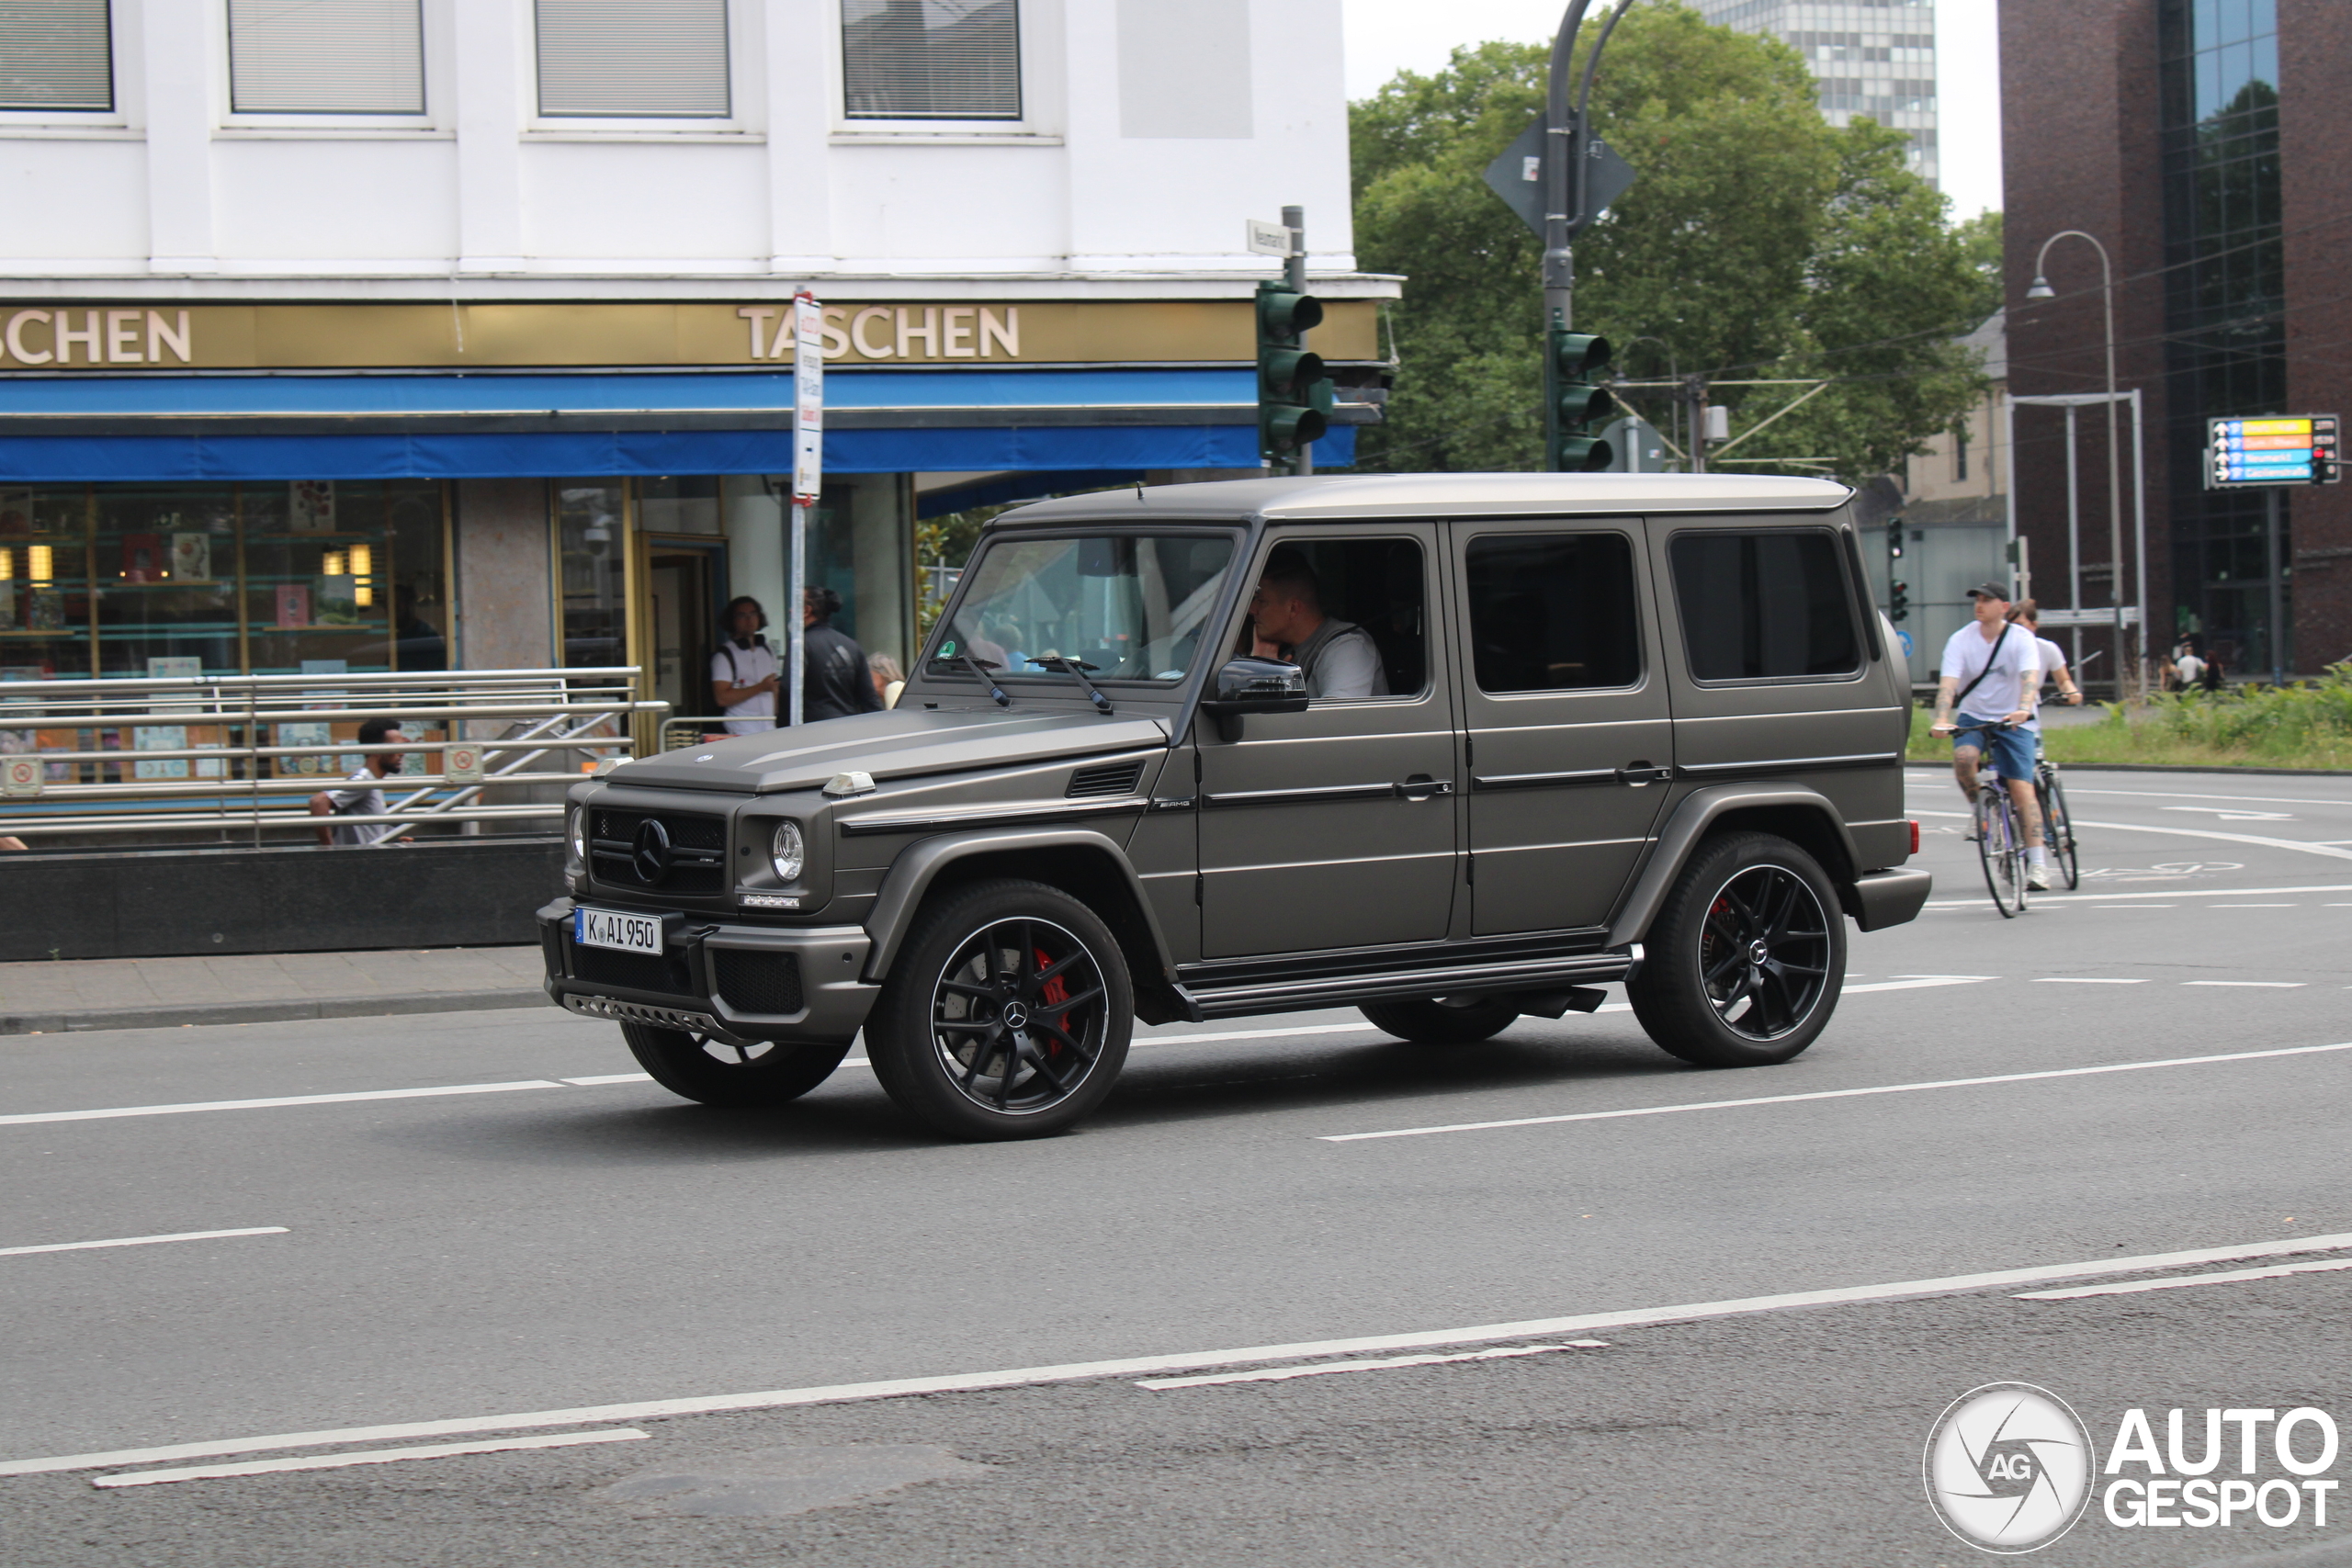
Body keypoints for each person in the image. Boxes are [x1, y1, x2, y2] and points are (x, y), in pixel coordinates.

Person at [1929, 582, 2048, 888]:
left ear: (2004, 607)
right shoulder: (1961, 640)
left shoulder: (2021, 639)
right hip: (1975, 714)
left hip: (2013, 717)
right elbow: (1949, 684)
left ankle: (2038, 865)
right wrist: (1942, 718)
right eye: (1977, 600)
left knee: (2021, 787)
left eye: (1987, 600)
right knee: (1964, 758)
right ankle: (1985, 810)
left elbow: (2029, 678)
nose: (1979, 605)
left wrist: (2023, 709)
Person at [1246, 546, 1388, 700]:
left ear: (1293, 608)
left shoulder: (1347, 646)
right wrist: (1263, 670)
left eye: (1261, 601)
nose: (1252, 610)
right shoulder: (1287, 655)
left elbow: (1337, 718)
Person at [309, 717, 415, 847]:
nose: (402, 753)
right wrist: (329, 848)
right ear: (376, 750)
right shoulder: (363, 780)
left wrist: (391, 837)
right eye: (395, 746)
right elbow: (318, 802)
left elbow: (367, 825)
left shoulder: (372, 781)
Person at [801, 585, 884, 723]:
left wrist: (783, 729)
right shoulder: (852, 646)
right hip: (847, 727)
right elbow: (869, 699)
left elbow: (787, 691)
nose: (791, 611)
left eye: (795, 606)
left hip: (812, 730)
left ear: (806, 610)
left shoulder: (802, 645)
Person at [710, 596, 780, 734]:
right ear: (732, 620)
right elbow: (722, 698)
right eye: (742, 615)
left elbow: (775, 689)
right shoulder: (724, 656)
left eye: (753, 614)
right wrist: (761, 687)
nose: (749, 620)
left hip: (770, 726)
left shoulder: (767, 650)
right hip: (741, 728)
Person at [2007, 600, 2085, 721]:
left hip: (2027, 713)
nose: (2015, 631)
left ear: (2034, 625)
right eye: (2010, 626)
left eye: (2020, 625)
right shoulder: (1998, 650)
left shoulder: (2046, 648)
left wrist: (2071, 692)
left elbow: (2063, 680)